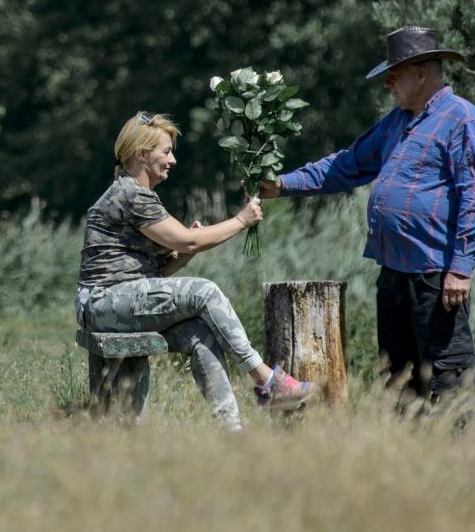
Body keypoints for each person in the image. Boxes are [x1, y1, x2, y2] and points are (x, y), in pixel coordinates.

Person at [259, 26, 475, 401]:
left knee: (445, 376)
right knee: (399, 377)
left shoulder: (462, 119)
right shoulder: (398, 120)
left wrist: (461, 267)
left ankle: (456, 452)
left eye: (395, 73)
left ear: (421, 73)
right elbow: (348, 164)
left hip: (436, 274)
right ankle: (406, 452)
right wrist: (283, 184)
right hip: (394, 272)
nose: (388, 83)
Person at [75, 111, 316, 429]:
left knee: (201, 335)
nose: (172, 160)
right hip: (102, 302)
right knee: (205, 291)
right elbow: (186, 240)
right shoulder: (131, 194)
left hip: (113, 302)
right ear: (142, 154)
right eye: (166, 151)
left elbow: (160, 270)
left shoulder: (138, 194)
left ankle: (230, 430)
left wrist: (187, 252)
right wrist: (240, 221)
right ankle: (267, 381)